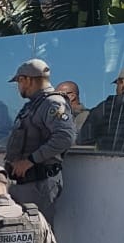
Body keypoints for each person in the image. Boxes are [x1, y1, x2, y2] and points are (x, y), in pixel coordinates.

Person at [4, 59, 77, 225]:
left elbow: (65, 137)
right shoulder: (34, 105)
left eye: (20, 81)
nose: (19, 86)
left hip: (38, 183)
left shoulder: (53, 103)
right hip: (24, 184)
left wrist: (30, 161)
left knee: (37, 235)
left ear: (28, 80)